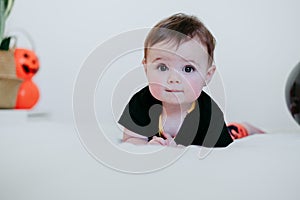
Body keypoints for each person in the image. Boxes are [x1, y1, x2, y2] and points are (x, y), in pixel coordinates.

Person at [118, 13, 264, 148]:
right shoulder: (141, 102)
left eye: (188, 69)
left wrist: (181, 150)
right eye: (162, 67)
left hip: (215, 135)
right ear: (146, 68)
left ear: (207, 75)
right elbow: (131, 139)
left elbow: (219, 153)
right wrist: (147, 147)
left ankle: (245, 127)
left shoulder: (209, 114)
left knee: (232, 132)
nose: (173, 79)